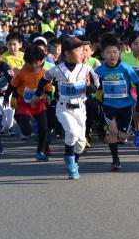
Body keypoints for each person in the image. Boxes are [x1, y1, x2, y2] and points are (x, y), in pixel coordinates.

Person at [34, 37, 99, 180]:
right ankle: (69, 159)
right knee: (72, 132)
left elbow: (96, 85)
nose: (82, 53)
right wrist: (38, 94)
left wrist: (89, 87)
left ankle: (74, 164)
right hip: (64, 108)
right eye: (78, 50)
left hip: (80, 109)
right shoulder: (57, 70)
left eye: (83, 51)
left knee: (81, 144)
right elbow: (44, 79)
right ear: (67, 54)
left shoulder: (87, 69)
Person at [95, 35, 139, 171]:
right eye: (108, 52)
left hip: (126, 106)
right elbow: (91, 82)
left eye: (115, 52)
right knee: (112, 132)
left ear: (119, 52)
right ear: (103, 55)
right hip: (109, 106)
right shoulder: (99, 70)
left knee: (122, 136)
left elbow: (138, 84)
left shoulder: (125, 68)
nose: (112, 55)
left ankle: (131, 128)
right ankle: (115, 160)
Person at [11, 45, 53, 161]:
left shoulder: (45, 73)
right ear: (26, 62)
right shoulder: (21, 73)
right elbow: (13, 86)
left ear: (41, 60)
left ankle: (40, 152)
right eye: (31, 63)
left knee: (44, 128)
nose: (34, 65)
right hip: (24, 103)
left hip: (39, 103)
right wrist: (10, 97)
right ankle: (24, 129)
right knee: (26, 130)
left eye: (37, 62)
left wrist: (49, 96)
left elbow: (48, 88)